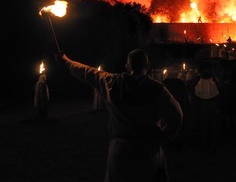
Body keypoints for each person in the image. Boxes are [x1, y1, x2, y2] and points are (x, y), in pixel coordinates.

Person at [57, 49, 183, 182]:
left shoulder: (111, 83)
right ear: (148, 66)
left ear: (127, 66)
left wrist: (66, 61)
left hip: (120, 153)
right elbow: (177, 116)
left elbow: (87, 72)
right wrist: (164, 137)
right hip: (147, 153)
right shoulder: (159, 90)